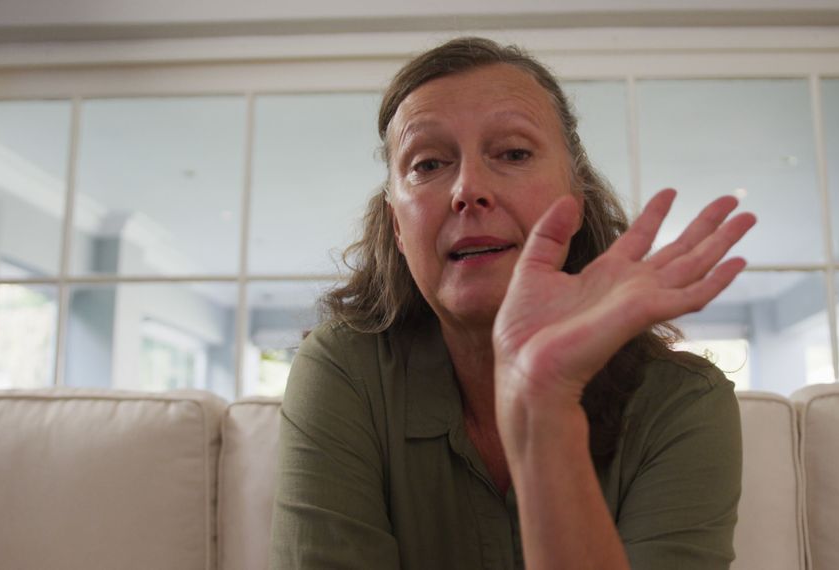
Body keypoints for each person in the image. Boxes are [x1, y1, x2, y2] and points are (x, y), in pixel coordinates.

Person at [270, 36, 756, 570]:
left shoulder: (682, 404)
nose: (468, 188)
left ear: (577, 195)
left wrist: (544, 410)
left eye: (514, 153)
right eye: (429, 163)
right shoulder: (345, 372)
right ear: (397, 227)